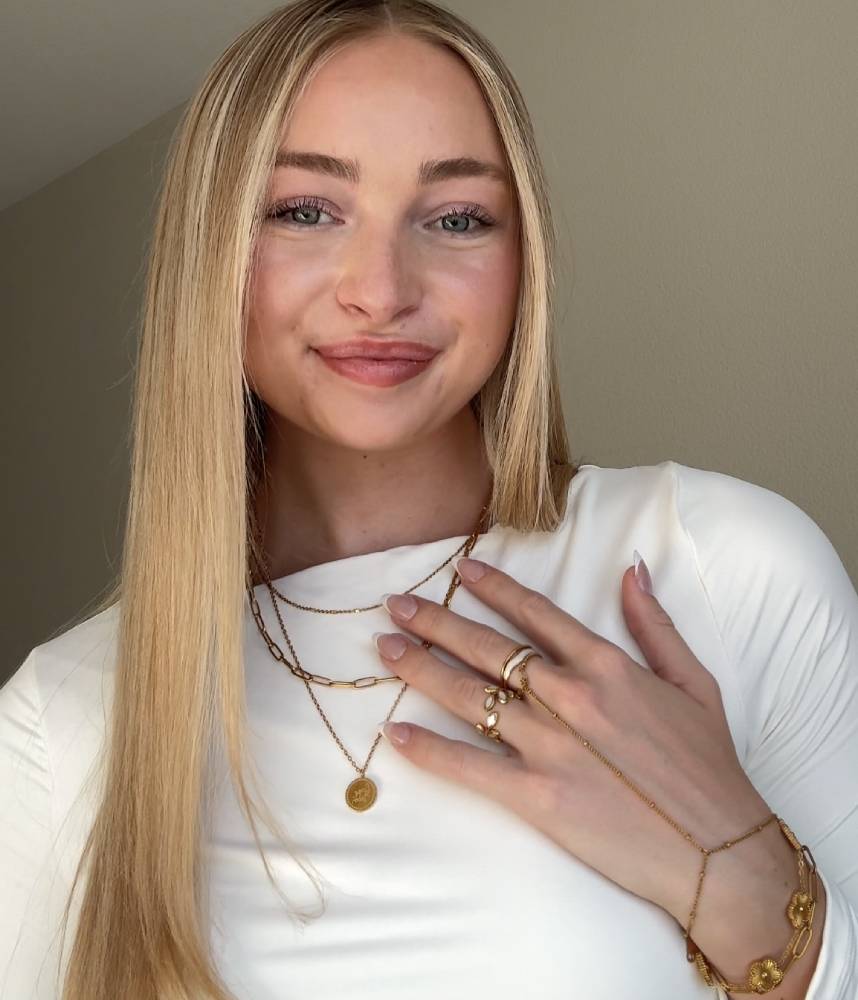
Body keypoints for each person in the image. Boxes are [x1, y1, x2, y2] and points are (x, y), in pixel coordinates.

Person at [2, 1, 857, 998]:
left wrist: (738, 870)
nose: (380, 289)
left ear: (523, 260)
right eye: (305, 210)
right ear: (210, 251)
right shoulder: (63, 718)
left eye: (455, 218)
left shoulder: (714, 565)